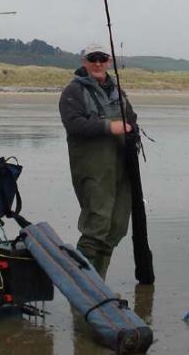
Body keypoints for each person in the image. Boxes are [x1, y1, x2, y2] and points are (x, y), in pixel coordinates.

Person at [59, 43, 138, 279]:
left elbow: (132, 120)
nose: (97, 63)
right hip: (92, 169)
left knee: (116, 227)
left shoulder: (118, 92)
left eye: (102, 58)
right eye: (92, 58)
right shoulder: (73, 91)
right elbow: (73, 124)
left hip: (121, 168)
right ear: (84, 61)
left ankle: (97, 281)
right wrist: (109, 126)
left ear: (109, 61)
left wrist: (133, 130)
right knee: (97, 225)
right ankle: (81, 283)